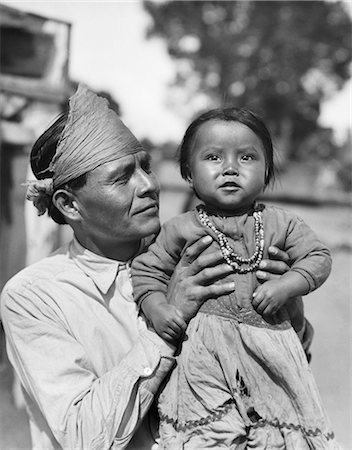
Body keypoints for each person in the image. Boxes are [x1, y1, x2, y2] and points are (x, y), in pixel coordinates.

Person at [0, 86, 293, 450]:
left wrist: (281, 308)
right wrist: (165, 328)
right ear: (69, 205)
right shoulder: (34, 295)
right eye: (122, 178)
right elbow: (83, 436)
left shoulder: (196, 255)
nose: (149, 186)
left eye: (146, 167)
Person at [132, 107, 339, 449]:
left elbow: (319, 258)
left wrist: (287, 284)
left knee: (279, 431)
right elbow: (147, 271)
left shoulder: (282, 224)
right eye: (213, 157)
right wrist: (157, 307)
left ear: (267, 170)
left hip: (268, 348)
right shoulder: (180, 229)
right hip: (202, 355)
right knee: (208, 435)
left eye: (246, 157)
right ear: (188, 173)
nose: (230, 168)